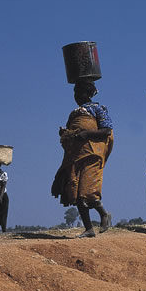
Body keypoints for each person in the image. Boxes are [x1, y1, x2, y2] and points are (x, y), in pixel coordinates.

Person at [51, 80, 114, 238]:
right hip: (75, 156)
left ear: (89, 94)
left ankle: (104, 214)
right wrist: (66, 135)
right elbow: (71, 134)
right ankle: (89, 229)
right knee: (76, 192)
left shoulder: (98, 109)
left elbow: (106, 131)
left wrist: (86, 134)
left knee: (88, 191)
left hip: (92, 155)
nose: (77, 96)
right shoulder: (73, 113)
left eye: (80, 93)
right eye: (75, 93)